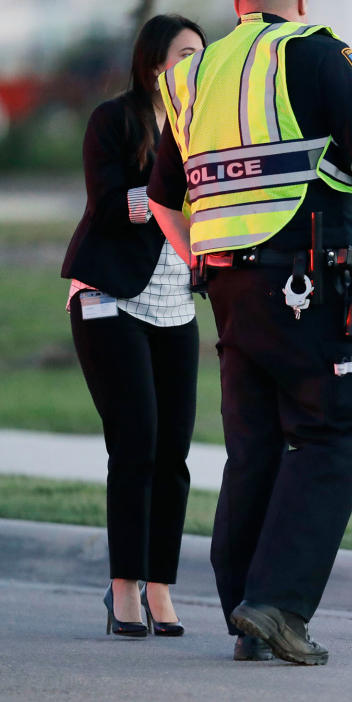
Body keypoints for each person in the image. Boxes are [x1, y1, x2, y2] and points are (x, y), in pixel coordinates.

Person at [147, 0, 352, 665]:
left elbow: (164, 197)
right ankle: (275, 605)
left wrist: (200, 258)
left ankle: (247, 606)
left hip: (229, 286)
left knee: (258, 446)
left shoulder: (197, 71)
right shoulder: (312, 50)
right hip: (309, 279)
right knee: (343, 422)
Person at [60, 15, 206, 637]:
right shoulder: (115, 120)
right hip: (111, 296)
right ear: (154, 62)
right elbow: (111, 200)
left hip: (177, 305)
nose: (196, 64)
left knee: (173, 453)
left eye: (202, 54)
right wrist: (175, 200)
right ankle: (123, 590)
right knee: (137, 441)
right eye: (185, 54)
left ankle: (161, 588)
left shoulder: (211, 127)